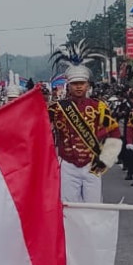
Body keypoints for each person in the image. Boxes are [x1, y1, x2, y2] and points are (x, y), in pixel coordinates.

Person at [49, 64, 120, 203]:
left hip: (92, 164)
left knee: (94, 207)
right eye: (75, 83)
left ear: (88, 85)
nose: (79, 87)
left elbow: (114, 132)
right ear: (68, 86)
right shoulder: (56, 108)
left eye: (82, 83)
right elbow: (40, 128)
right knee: (69, 208)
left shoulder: (98, 106)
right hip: (67, 164)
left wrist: (106, 158)